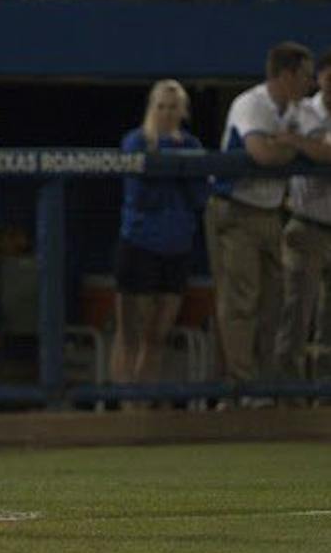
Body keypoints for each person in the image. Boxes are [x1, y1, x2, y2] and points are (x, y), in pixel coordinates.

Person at [205, 42, 315, 391]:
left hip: (270, 214)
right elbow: (262, 154)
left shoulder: (298, 110)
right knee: (241, 301)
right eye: (305, 76)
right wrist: (293, 146)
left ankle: (265, 387)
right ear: (286, 75)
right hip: (235, 209)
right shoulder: (251, 103)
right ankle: (241, 389)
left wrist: (293, 142)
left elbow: (322, 150)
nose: (310, 84)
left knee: (274, 302)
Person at [113, 80, 208, 402]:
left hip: (177, 247)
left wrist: (174, 168)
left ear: (183, 111)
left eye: (173, 107)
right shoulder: (136, 140)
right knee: (130, 334)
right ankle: (125, 405)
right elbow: (140, 195)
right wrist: (175, 169)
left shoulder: (192, 143)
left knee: (157, 335)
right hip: (140, 244)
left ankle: (144, 404)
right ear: (152, 108)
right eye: (161, 106)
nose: (167, 113)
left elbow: (199, 195)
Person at [280, 50, 331, 380]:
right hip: (307, 224)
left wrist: (302, 144)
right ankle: (288, 393)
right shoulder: (300, 110)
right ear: (320, 78)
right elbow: (277, 144)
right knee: (297, 312)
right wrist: (300, 143)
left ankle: (325, 395)